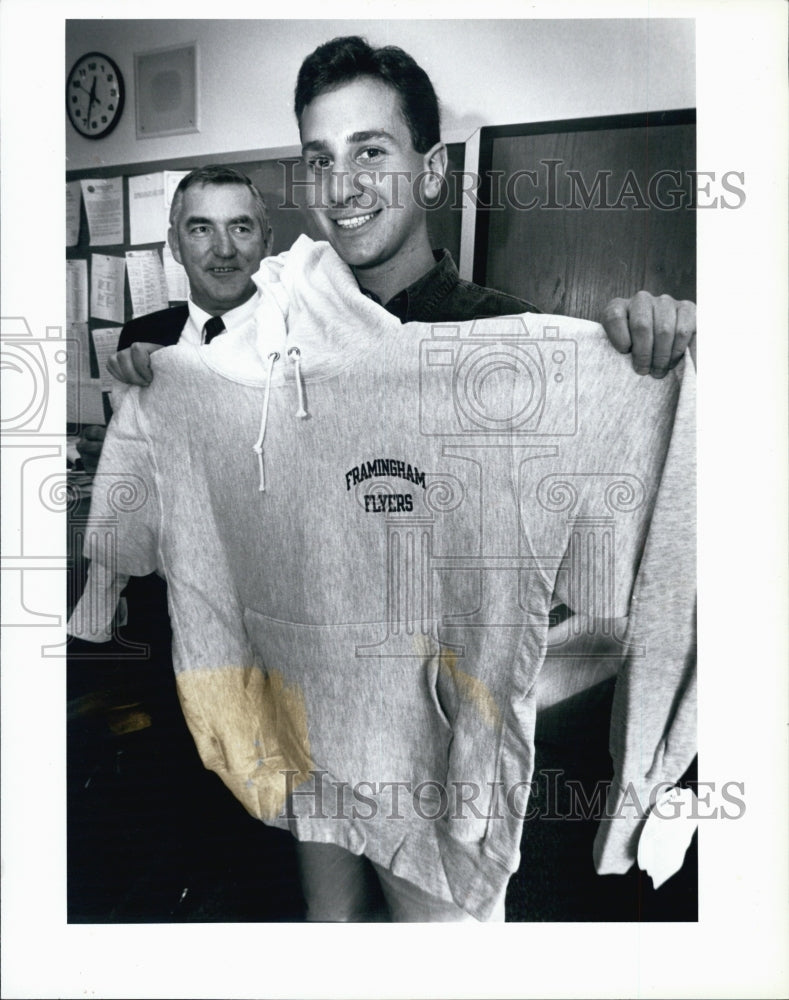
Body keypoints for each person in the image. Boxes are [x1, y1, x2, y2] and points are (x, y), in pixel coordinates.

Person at [82, 36, 696, 922]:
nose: (342, 185)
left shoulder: (509, 347)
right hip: (307, 731)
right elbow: (198, 482)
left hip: (439, 775)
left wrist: (645, 367)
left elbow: (619, 572)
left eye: (370, 151)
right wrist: (166, 389)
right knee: (332, 936)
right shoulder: (269, 343)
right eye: (319, 159)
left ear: (430, 171)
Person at [75, 165, 273, 472]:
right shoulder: (141, 336)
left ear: (267, 243)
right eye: (201, 229)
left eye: (240, 228)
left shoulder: (302, 334)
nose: (224, 249)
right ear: (176, 245)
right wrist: (111, 458)